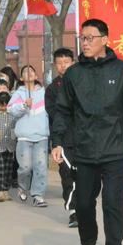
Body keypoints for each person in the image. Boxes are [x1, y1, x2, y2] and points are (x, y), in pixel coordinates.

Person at [52, 19, 123, 245]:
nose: (85, 42)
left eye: (90, 37)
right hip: (83, 151)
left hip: (113, 150)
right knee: (83, 203)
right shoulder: (74, 74)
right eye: (82, 38)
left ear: (105, 39)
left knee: (113, 203)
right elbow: (62, 110)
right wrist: (57, 141)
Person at [8, 65, 49, 208]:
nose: (29, 73)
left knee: (41, 166)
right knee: (25, 167)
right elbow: (11, 111)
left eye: (32, 71)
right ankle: (22, 186)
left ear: (36, 76)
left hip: (41, 136)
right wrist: (24, 105)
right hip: (24, 137)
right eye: (25, 72)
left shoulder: (44, 93)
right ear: (21, 78)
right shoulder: (18, 94)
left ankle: (38, 195)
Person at [45, 47, 77, 228]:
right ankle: (73, 212)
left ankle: (85, 209)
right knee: (67, 175)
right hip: (63, 139)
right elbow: (53, 113)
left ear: (72, 62)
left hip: (84, 138)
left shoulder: (83, 82)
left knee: (85, 176)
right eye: (60, 63)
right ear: (55, 65)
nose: (63, 66)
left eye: (67, 62)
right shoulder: (52, 89)